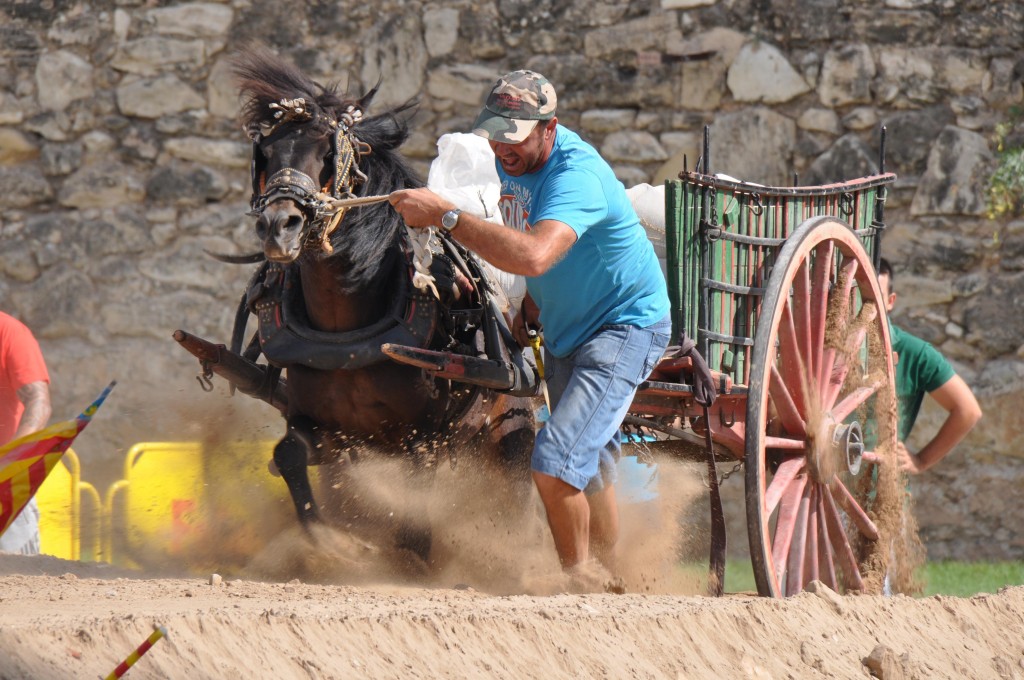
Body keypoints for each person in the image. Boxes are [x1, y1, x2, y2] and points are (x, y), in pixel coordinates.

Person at [389, 70, 673, 578]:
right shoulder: (514, 163)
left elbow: (538, 254)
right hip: (565, 329)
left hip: (622, 325)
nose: (502, 148)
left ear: (549, 127)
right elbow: (545, 250)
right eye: (496, 135)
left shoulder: (575, 176)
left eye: (514, 136)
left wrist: (447, 217)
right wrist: (532, 309)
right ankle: (615, 579)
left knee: (556, 460)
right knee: (593, 466)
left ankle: (580, 583)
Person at [877, 258, 982, 473]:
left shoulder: (915, 353)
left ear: (890, 301)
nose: (866, 305)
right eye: (859, 297)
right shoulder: (826, 344)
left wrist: (921, 461)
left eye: (874, 298)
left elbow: (968, 411)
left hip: (879, 490)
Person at [0, 311, 52, 555]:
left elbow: (39, 401)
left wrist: (12, 460)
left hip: (5, 484)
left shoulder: (9, 332)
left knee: (19, 577)